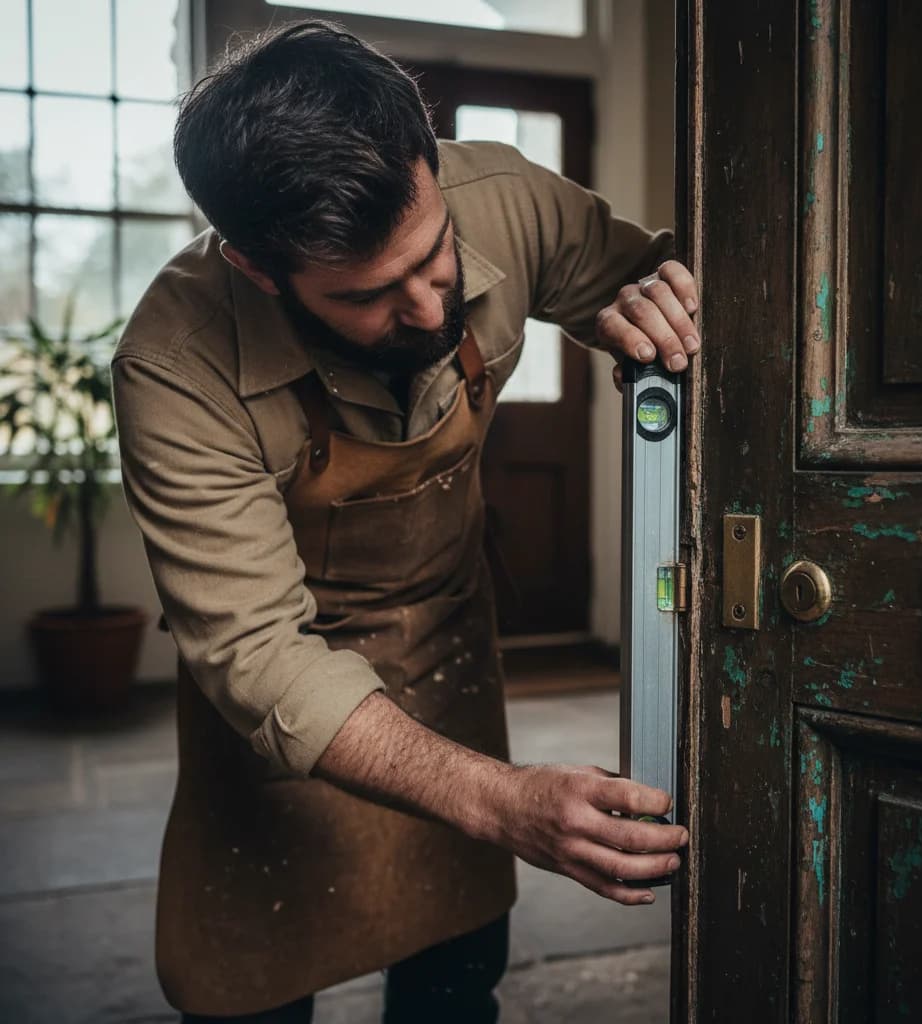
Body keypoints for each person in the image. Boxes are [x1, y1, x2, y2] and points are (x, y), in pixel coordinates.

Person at [112, 20, 701, 1024]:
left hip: (445, 653)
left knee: (455, 975)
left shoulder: (504, 198)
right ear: (259, 268)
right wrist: (503, 799)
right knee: (247, 984)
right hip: (275, 701)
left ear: (429, 162)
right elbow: (257, 649)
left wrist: (656, 304)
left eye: (434, 259)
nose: (432, 310)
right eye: (370, 294)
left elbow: (666, 277)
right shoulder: (173, 365)